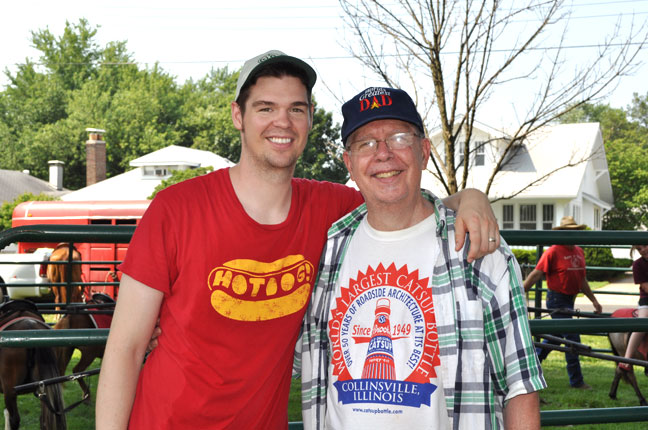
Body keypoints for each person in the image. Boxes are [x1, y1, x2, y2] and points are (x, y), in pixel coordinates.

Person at [95, 51, 499, 429]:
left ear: (309, 120)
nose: (282, 122)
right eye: (265, 108)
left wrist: (470, 198)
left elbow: (400, 203)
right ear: (238, 115)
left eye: (297, 109)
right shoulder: (176, 209)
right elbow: (127, 349)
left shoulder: (329, 209)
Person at [299, 86, 545, 430]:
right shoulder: (325, 252)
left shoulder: (477, 251)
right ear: (349, 164)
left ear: (424, 151)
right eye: (366, 143)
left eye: (399, 138)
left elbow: (521, 385)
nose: (383, 154)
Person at [523, 215, 602, 390]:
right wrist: (522, 290)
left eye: (575, 231)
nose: (572, 234)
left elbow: (582, 280)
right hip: (557, 299)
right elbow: (537, 273)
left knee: (556, 338)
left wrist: (594, 300)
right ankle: (577, 381)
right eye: (569, 231)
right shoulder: (553, 251)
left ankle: (530, 368)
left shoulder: (578, 251)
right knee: (572, 338)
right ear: (563, 232)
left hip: (570, 299)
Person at [619, 244, 648, 371]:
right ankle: (627, 358)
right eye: (639, 249)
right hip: (646, 300)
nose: (643, 250)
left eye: (645, 246)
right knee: (642, 324)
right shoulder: (638, 265)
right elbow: (646, 288)